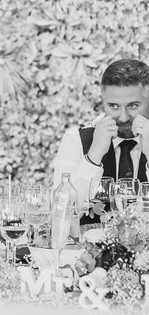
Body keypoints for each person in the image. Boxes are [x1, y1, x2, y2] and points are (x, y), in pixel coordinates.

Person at [52, 58, 149, 213]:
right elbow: (60, 210)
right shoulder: (76, 139)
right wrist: (94, 156)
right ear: (103, 102)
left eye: (133, 106)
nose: (123, 117)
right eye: (113, 106)